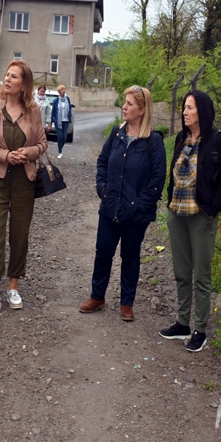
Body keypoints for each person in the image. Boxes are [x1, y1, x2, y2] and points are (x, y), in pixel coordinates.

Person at [159, 90, 221, 352]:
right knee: (182, 272)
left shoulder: (216, 141)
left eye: (190, 108)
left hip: (200, 217)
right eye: (184, 107)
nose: (184, 112)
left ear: (202, 111)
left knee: (201, 275)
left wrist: (212, 209)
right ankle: (182, 323)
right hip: (177, 215)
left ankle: (200, 329)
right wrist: (169, 203)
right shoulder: (182, 138)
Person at [79, 86, 166, 322]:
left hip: (136, 214)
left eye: (129, 104)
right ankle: (97, 296)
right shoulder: (117, 134)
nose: (124, 107)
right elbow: (103, 162)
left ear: (142, 109)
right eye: (124, 103)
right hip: (110, 207)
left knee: (130, 255)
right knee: (103, 252)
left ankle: (127, 302)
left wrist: (137, 205)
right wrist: (103, 189)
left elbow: (157, 180)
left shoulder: (153, 141)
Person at [0, 60, 47, 312]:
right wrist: (6, 156)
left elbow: (42, 144)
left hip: (24, 182)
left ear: (23, 84)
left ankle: (13, 287)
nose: (7, 80)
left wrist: (27, 152)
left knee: (19, 235)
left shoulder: (34, 111)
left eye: (13, 77)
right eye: (6, 75)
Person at [50, 84, 72, 159]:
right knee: (60, 136)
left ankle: (60, 147)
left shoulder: (67, 99)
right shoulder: (56, 101)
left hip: (65, 120)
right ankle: (60, 152)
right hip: (58, 121)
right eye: (62, 89)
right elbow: (53, 111)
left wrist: (70, 118)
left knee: (65, 137)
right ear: (59, 91)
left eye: (64, 89)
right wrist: (51, 121)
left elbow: (70, 109)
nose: (64, 91)